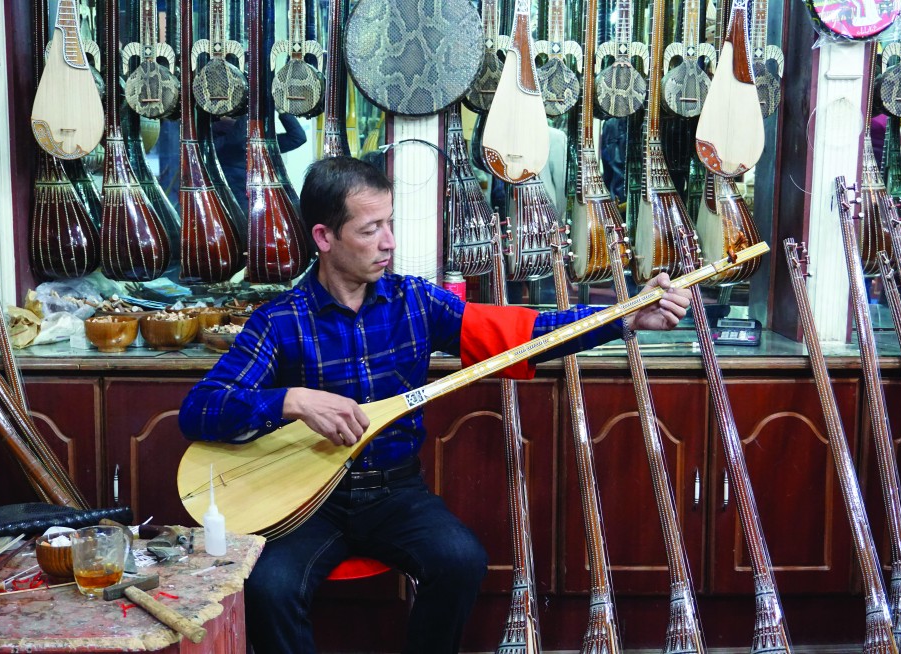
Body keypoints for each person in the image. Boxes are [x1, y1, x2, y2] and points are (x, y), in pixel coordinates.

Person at [178, 157, 691, 654]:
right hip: (306, 505)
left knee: (460, 560)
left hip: (395, 491)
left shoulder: (416, 302)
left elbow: (524, 335)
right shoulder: (278, 321)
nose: (389, 242)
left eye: (390, 223)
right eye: (370, 229)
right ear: (323, 238)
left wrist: (623, 317)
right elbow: (201, 409)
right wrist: (289, 400)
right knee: (268, 587)